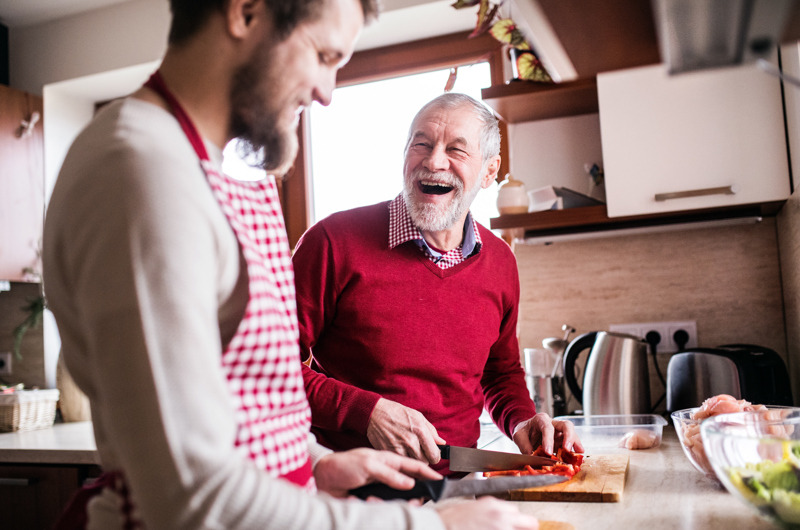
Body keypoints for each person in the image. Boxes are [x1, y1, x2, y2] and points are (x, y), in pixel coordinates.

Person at [42, 1, 540, 529]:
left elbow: (240, 404)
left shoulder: (187, 165)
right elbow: (192, 497)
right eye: (323, 55)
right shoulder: (143, 170)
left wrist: (315, 463)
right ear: (245, 12)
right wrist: (432, 526)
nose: (325, 93)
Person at [293, 93, 584, 471]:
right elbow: (268, 368)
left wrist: (523, 422)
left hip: (456, 487)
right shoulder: (331, 242)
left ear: (489, 171)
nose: (433, 162)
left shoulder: (500, 262)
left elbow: (500, 374)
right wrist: (366, 412)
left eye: (456, 150)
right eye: (421, 144)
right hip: (348, 490)